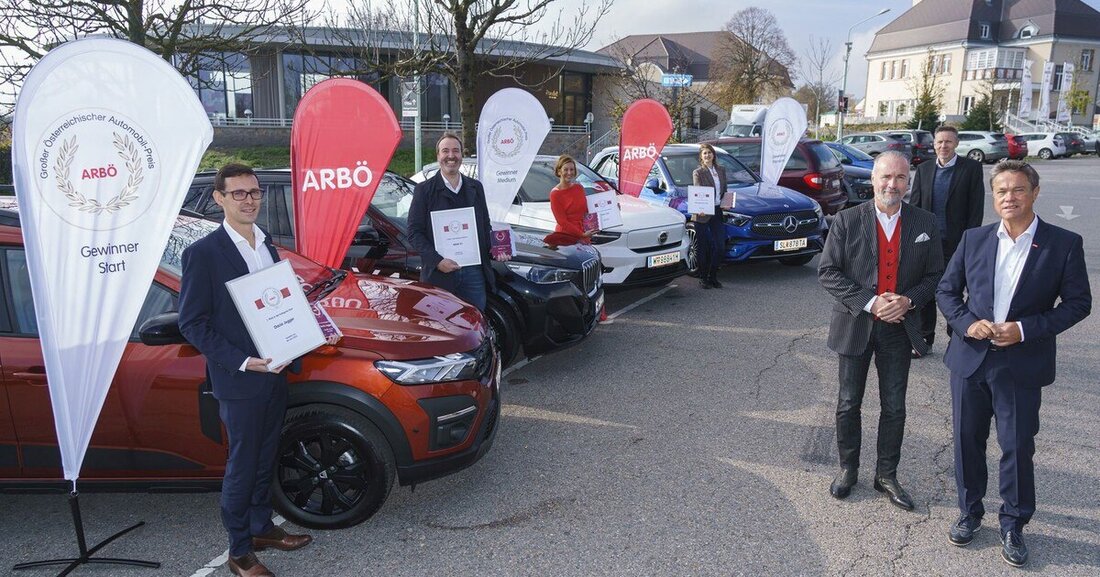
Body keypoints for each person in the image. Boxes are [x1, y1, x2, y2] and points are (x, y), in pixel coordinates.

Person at [936, 160, 1090, 567]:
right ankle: (970, 513)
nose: (1009, 197)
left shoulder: (1063, 244)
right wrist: (968, 324)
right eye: (1001, 190)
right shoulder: (974, 239)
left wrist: (1023, 329)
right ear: (994, 195)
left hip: (1021, 364)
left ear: (1034, 193)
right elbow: (947, 292)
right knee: (967, 442)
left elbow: (1078, 304)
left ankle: (1014, 523)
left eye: (1018, 189)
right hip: (970, 361)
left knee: (1017, 447)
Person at [179, 163, 327, 577]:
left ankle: (262, 528)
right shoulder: (203, 254)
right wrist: (244, 361)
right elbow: (193, 323)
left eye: (254, 193)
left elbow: (278, 305)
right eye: (239, 193)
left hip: (276, 371)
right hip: (241, 379)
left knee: (265, 457)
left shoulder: (269, 247)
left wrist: (307, 328)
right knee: (242, 466)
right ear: (219, 199)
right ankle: (239, 550)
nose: (249, 200)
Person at [818, 151, 944, 511]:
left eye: (901, 178)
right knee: (848, 402)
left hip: (899, 329)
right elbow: (828, 272)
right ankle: (848, 469)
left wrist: (908, 301)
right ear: (873, 180)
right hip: (856, 323)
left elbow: (935, 275)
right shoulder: (846, 220)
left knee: (895, 406)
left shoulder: (925, 222)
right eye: (886, 177)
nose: (893, 184)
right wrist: (872, 303)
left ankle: (886, 475)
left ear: (909, 182)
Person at [408, 132, 509, 312]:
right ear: (438, 156)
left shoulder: (475, 187)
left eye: (456, 151)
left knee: (475, 322)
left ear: (462, 155)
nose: (451, 156)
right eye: (445, 151)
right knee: (443, 328)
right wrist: (437, 261)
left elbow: (484, 226)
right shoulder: (424, 190)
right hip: (440, 274)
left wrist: (497, 249)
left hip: (474, 273)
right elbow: (414, 232)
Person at [908, 125, 985, 357]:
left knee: (953, 292)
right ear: (934, 144)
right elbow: (915, 206)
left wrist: (971, 242)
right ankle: (924, 339)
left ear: (956, 144)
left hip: (957, 244)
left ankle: (958, 338)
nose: (944, 146)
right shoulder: (924, 169)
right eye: (940, 142)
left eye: (948, 142)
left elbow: (975, 208)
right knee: (926, 292)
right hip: (928, 244)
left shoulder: (971, 168)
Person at [690, 143, 727, 289]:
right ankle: (703, 278)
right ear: (701, 156)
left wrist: (727, 202)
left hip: (717, 210)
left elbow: (725, 190)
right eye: (704, 153)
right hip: (702, 212)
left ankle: (713, 276)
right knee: (703, 246)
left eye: (709, 153)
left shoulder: (721, 170)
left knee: (720, 246)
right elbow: (698, 192)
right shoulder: (698, 172)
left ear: (713, 155)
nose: (707, 155)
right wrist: (701, 207)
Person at [545, 154, 594, 247]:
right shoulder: (555, 194)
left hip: (583, 235)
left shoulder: (579, 188)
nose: (569, 172)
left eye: (572, 169)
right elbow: (562, 222)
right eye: (566, 169)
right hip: (566, 238)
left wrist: (611, 209)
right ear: (559, 172)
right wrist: (581, 234)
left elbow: (588, 210)